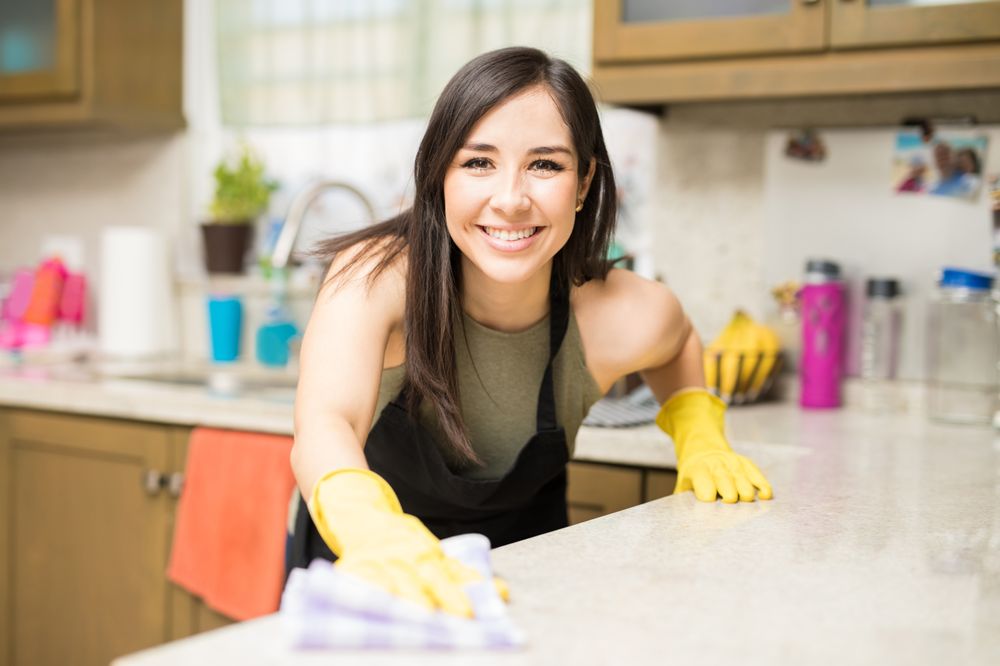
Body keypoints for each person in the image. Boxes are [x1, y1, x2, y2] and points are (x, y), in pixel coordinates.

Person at [287, 46, 773, 618]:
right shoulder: (375, 278)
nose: (512, 199)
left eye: (545, 165)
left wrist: (699, 429)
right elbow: (325, 422)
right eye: (477, 163)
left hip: (529, 578)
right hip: (367, 572)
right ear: (438, 174)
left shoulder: (621, 315)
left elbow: (678, 339)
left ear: (585, 181)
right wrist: (369, 530)